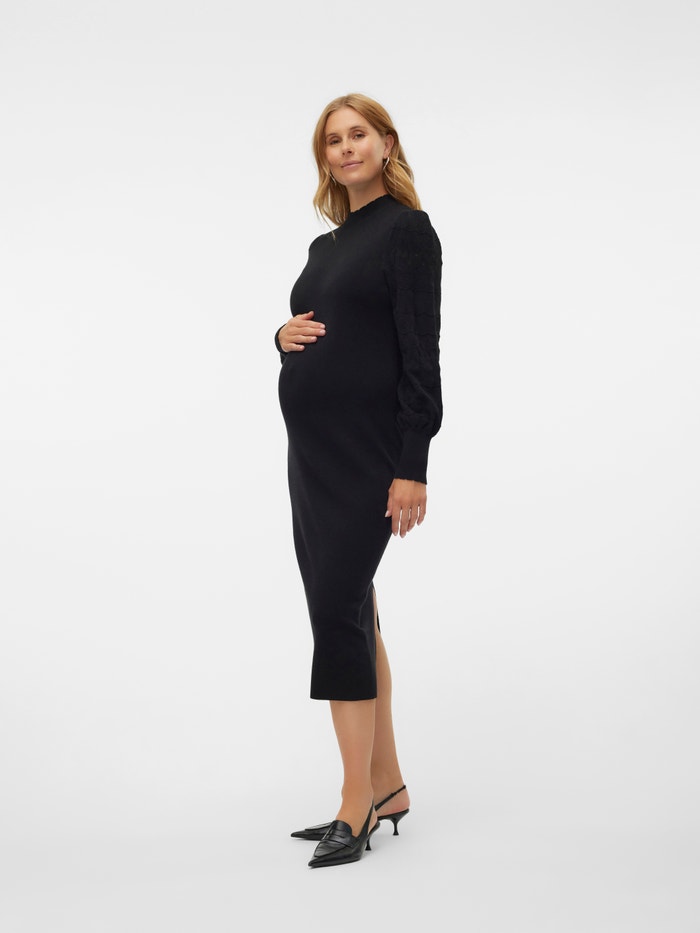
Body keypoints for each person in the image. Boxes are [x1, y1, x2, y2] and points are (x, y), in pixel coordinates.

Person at [274, 93, 443, 869]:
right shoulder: (326, 245)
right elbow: (321, 330)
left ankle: (356, 803)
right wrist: (279, 334)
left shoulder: (408, 232)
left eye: (357, 135)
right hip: (313, 455)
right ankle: (389, 784)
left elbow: (420, 353)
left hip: (368, 452)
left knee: (337, 613)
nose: (345, 148)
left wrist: (413, 463)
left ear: (386, 144)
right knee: (355, 610)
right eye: (332, 140)